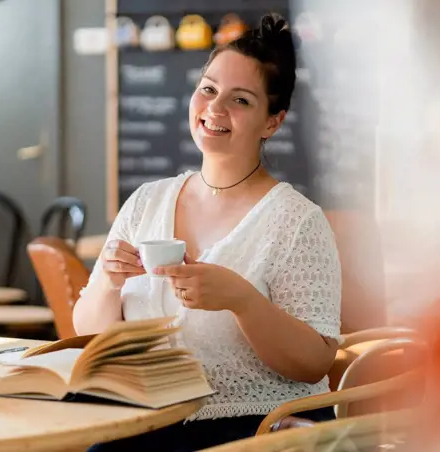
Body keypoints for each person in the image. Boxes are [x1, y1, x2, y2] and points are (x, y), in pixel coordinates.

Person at [76, 13, 342, 451]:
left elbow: (315, 362)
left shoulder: (297, 220)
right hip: (145, 419)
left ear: (272, 122)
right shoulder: (147, 200)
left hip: (254, 429)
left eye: (240, 100)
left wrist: (243, 301)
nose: (214, 109)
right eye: (208, 89)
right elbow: (88, 333)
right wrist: (107, 281)